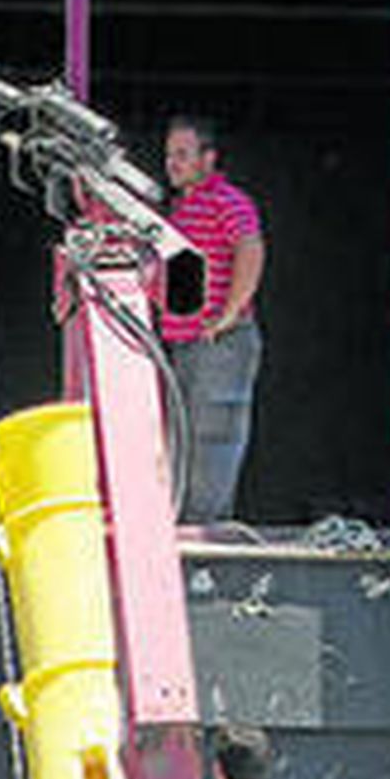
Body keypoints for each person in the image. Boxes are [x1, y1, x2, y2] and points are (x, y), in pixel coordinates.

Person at [162, 114, 266, 527]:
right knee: (183, 437)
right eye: (170, 154)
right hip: (186, 343)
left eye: (183, 154)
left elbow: (250, 249)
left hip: (221, 343)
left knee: (212, 438)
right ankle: (182, 523)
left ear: (209, 158)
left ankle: (205, 530)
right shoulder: (181, 209)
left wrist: (228, 315)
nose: (173, 163)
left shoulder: (228, 200)